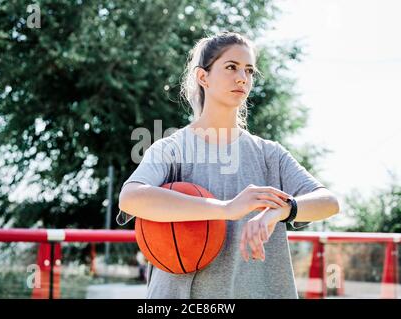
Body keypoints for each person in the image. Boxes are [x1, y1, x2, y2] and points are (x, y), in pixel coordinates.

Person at [118, 31, 340, 299]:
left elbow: (328, 201)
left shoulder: (270, 154)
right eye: (231, 67)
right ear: (203, 77)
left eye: (249, 71)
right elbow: (130, 198)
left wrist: (280, 211)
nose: (242, 78)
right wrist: (227, 208)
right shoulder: (172, 149)